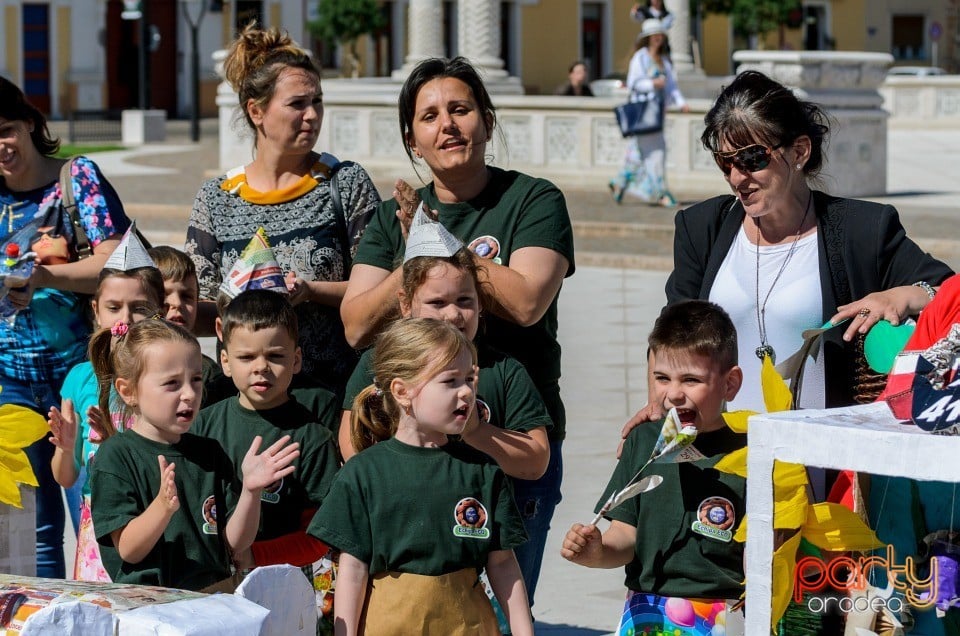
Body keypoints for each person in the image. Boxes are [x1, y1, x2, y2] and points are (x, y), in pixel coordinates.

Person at [620, 71, 953, 467]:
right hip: (718, 462)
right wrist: (657, 403)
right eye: (725, 163)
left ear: (799, 151)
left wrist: (900, 295)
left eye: (752, 159)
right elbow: (671, 332)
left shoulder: (862, 230)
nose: (737, 177)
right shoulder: (701, 228)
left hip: (821, 462)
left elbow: (947, 288)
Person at [340, 56, 575, 606]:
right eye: (429, 116)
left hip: (509, 437)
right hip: (412, 453)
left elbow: (526, 302)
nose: (447, 124)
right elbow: (356, 325)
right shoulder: (388, 219)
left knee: (498, 611)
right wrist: (413, 251)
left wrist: (435, 235)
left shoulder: (534, 200)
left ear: (487, 122)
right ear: (411, 139)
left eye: (461, 109)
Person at [339, 212, 553, 599]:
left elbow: (536, 459)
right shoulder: (381, 363)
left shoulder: (503, 371)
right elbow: (351, 440)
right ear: (405, 304)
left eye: (465, 301)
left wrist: (477, 432)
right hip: (402, 536)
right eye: (436, 302)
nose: (453, 314)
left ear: (481, 303)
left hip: (481, 537)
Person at [185, 23, 381, 394]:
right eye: (297, 104)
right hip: (246, 404)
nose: (312, 115)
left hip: (332, 396)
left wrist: (311, 290)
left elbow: (380, 292)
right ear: (256, 111)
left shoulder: (347, 183)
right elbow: (201, 310)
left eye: (317, 101)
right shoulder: (215, 198)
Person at [309, 318, 533, 635]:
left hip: (467, 623)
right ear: (402, 391)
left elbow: (503, 564)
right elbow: (353, 569)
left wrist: (525, 631)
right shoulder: (365, 473)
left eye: (469, 379)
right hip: (389, 623)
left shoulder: (483, 471)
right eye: (450, 381)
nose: (467, 392)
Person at [0, 75, 130, 579]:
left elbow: (117, 264)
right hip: (8, 385)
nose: (2, 146)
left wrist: (45, 276)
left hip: (79, 375)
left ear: (31, 122)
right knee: (29, 532)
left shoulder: (75, 181)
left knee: (95, 512)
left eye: (7, 129)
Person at [562, 300, 745, 636]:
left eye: (691, 380)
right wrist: (598, 551)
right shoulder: (644, 440)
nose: (673, 393)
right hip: (647, 611)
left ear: (730, 384)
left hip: (724, 615)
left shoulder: (751, 450)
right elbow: (626, 534)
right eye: (662, 378)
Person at [87, 318, 301, 590]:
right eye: (172, 383)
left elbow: (234, 543)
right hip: (151, 606)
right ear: (128, 391)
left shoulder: (209, 451)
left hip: (215, 596)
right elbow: (129, 550)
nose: (189, 393)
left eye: (196, 379)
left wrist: (251, 491)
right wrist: (162, 508)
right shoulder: (116, 455)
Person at [192, 289, 341, 627]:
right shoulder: (203, 426)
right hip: (209, 586)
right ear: (226, 362)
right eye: (246, 358)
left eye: (275, 356)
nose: (261, 368)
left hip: (284, 586)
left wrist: (255, 555)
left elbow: (321, 534)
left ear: (297, 360)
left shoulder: (312, 438)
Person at [48, 228, 165, 581]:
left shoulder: (167, 375)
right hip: (98, 522)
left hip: (153, 518)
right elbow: (67, 477)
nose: (125, 319)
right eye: (114, 307)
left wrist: (119, 441)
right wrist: (67, 449)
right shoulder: (79, 379)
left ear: (160, 311)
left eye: (139, 308)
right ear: (96, 310)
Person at [609, 19, 689, 207]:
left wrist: (681, 103)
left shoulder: (665, 61)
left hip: (657, 113)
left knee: (638, 154)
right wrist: (652, 84)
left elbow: (672, 87)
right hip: (644, 113)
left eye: (659, 34)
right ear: (647, 38)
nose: (657, 38)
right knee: (656, 152)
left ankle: (619, 184)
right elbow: (633, 83)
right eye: (654, 35)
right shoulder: (640, 57)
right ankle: (661, 193)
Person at [148, 245, 234, 408]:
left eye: (186, 296)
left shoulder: (207, 373)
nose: (177, 303)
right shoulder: (126, 362)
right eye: (164, 295)